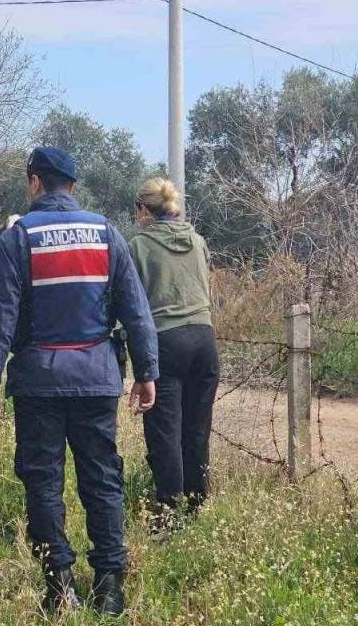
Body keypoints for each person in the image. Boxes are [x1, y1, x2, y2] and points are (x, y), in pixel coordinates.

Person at [0, 147, 158, 615]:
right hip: (96, 379)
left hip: (38, 384)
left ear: (35, 182)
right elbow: (135, 310)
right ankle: (110, 588)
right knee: (102, 480)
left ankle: (59, 587)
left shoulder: (19, 239)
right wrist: (147, 372)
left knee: (43, 483)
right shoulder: (106, 233)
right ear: (72, 186)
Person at [128, 178, 219, 528]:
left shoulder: (139, 245)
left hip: (167, 341)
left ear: (143, 210)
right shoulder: (197, 241)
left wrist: (137, 363)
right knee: (196, 429)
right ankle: (198, 506)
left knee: (165, 431)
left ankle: (168, 513)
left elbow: (134, 307)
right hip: (204, 338)